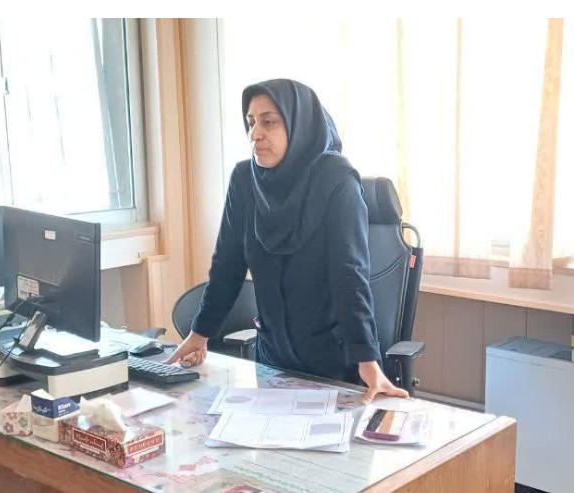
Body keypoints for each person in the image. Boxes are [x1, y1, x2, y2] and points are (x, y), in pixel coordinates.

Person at [166, 78, 408, 402]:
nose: (255, 134)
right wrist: (200, 333)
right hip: (272, 358)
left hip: (335, 363)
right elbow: (227, 266)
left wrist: (368, 360)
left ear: (299, 124)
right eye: (251, 122)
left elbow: (349, 275)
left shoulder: (337, 181)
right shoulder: (244, 180)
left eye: (269, 122)